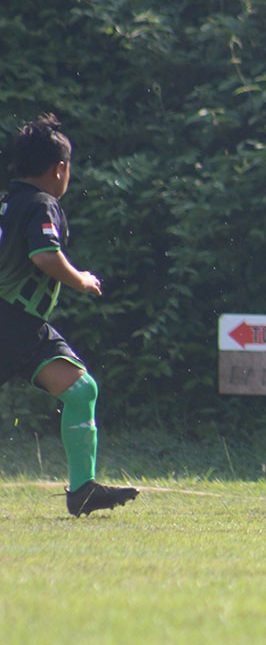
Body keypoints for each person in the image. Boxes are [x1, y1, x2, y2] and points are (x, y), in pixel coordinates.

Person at [0, 113, 138, 516]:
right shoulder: (43, 203)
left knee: (80, 389)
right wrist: (80, 280)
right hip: (15, 321)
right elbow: (44, 255)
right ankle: (82, 490)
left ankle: (84, 490)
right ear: (60, 168)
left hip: (15, 323)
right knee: (81, 390)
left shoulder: (7, 203)